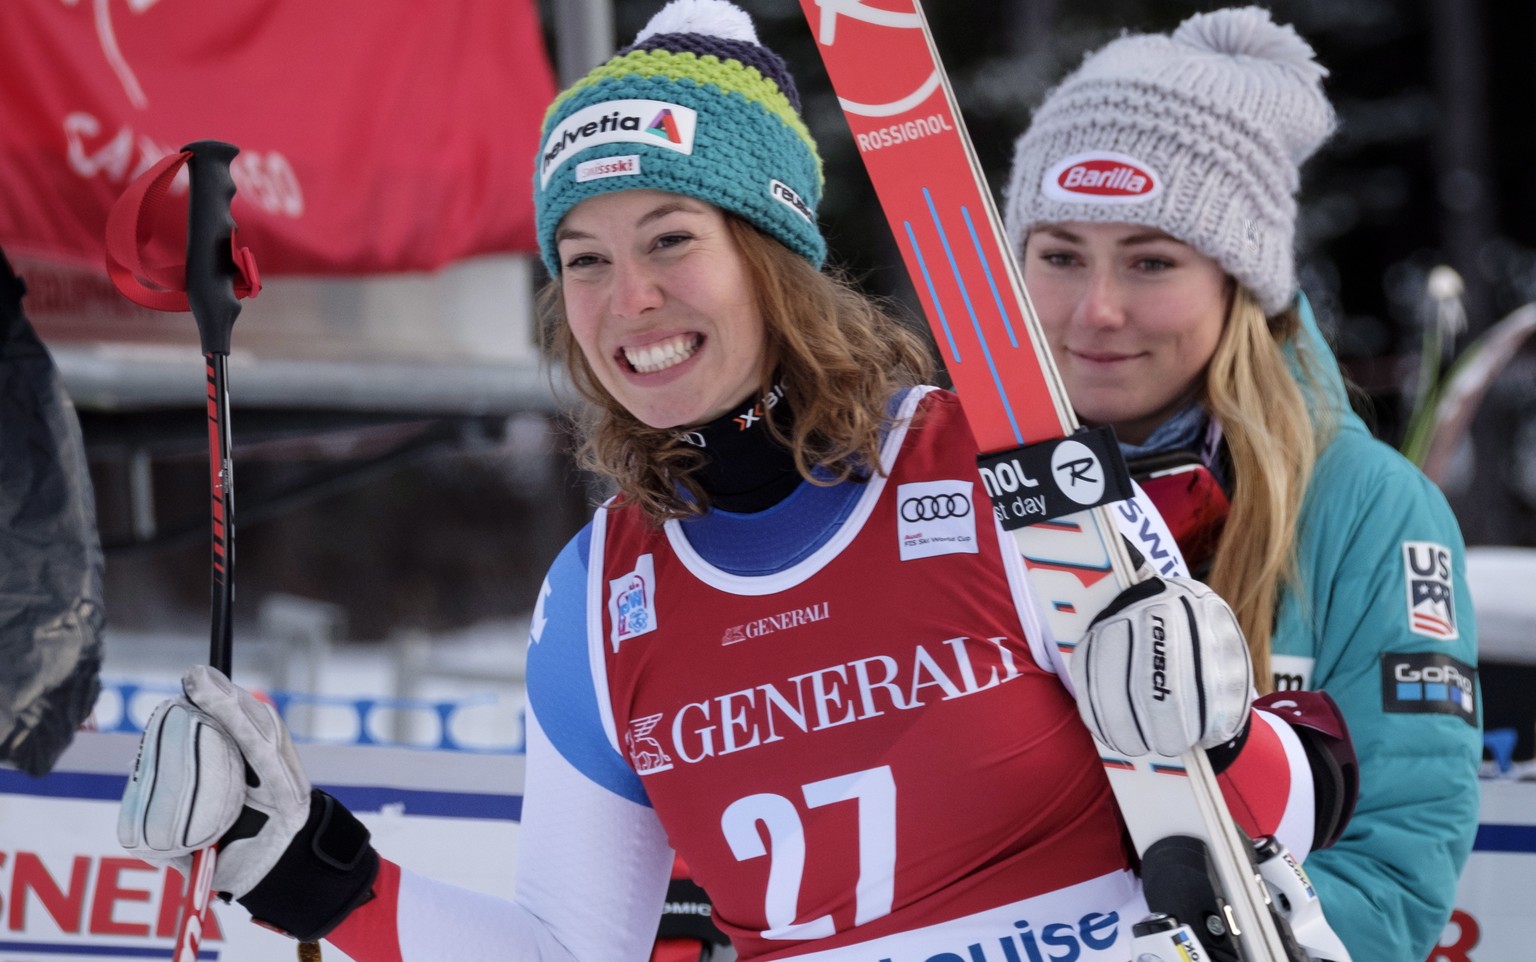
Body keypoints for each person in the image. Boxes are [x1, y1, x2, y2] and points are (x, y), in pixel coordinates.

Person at [116, 3, 1355, 960]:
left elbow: (1277, 819)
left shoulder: (995, 464)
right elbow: (566, 944)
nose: (628, 299)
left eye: (671, 240)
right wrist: (305, 868)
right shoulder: (600, 594)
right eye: (584, 259)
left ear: (771, 261)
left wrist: (1222, 726)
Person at [1001, 8, 1482, 962]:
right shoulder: (938, 493)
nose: (1097, 310)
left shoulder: (1365, 509)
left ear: (1240, 283)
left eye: (1151, 261)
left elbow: (1394, 876)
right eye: (1059, 255)